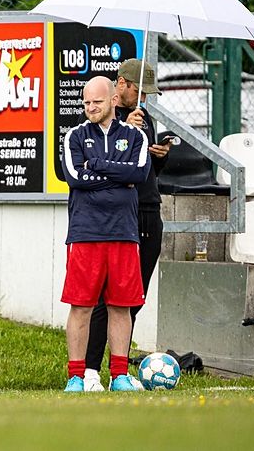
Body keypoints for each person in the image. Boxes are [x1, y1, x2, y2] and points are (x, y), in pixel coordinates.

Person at [83, 59, 171, 391]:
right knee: (106, 298)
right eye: (140, 91)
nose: (144, 100)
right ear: (122, 85)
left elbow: (145, 173)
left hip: (149, 211)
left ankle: (119, 370)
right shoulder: (97, 123)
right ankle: (90, 370)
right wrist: (124, 128)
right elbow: (100, 168)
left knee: (133, 297)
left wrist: (159, 157)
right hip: (118, 218)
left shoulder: (142, 120)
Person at [60, 75, 150, 393]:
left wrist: (96, 165)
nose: (90, 107)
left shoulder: (135, 137)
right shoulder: (74, 136)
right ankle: (76, 376)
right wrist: (115, 173)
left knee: (120, 306)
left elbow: (138, 173)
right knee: (81, 306)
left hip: (123, 232)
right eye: (86, 102)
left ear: (113, 100)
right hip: (86, 232)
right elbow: (75, 178)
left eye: (96, 102)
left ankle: (120, 375)